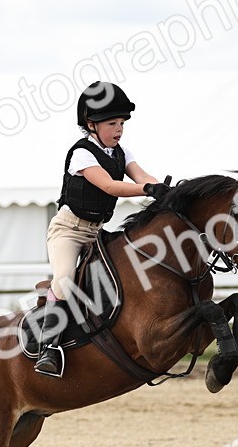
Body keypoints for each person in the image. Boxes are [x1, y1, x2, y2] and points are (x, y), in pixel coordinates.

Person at [34, 81, 170, 377]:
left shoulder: (121, 153)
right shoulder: (82, 154)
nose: (119, 129)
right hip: (69, 231)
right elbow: (110, 186)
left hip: (97, 232)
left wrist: (165, 190)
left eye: (122, 123)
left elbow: (142, 176)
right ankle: (48, 347)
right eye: (112, 124)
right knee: (65, 279)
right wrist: (147, 190)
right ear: (91, 125)